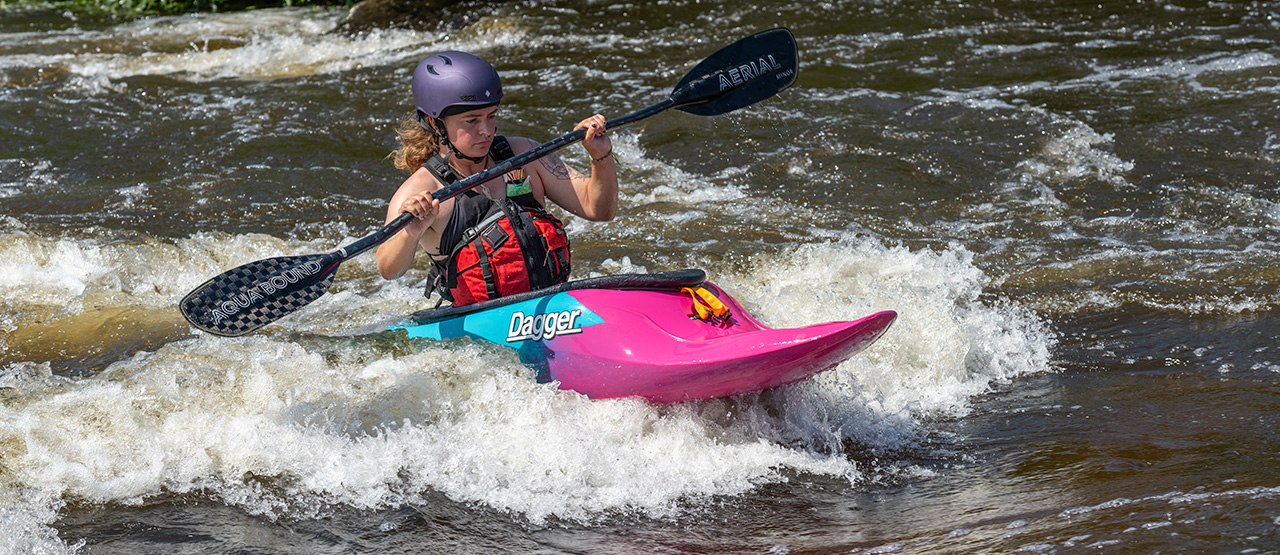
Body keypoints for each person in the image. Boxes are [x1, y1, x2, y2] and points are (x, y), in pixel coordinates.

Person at [376, 51, 617, 307]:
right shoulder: (422, 190)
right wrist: (410, 233)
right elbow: (389, 270)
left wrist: (600, 157)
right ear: (436, 125)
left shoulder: (525, 155)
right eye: (472, 121)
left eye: (491, 116)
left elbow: (597, 209)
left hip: (553, 305)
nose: (486, 130)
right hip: (481, 327)